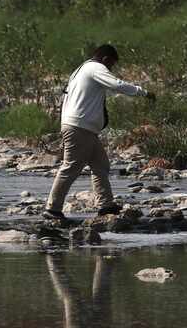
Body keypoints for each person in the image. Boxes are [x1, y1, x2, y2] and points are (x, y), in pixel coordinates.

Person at [44, 44, 154, 222]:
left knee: (100, 165)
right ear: (105, 59)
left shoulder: (80, 70)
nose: (111, 69)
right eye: (111, 64)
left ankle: (106, 205)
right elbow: (116, 84)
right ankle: (52, 209)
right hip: (80, 126)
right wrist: (144, 93)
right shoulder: (95, 68)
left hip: (82, 127)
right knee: (70, 167)